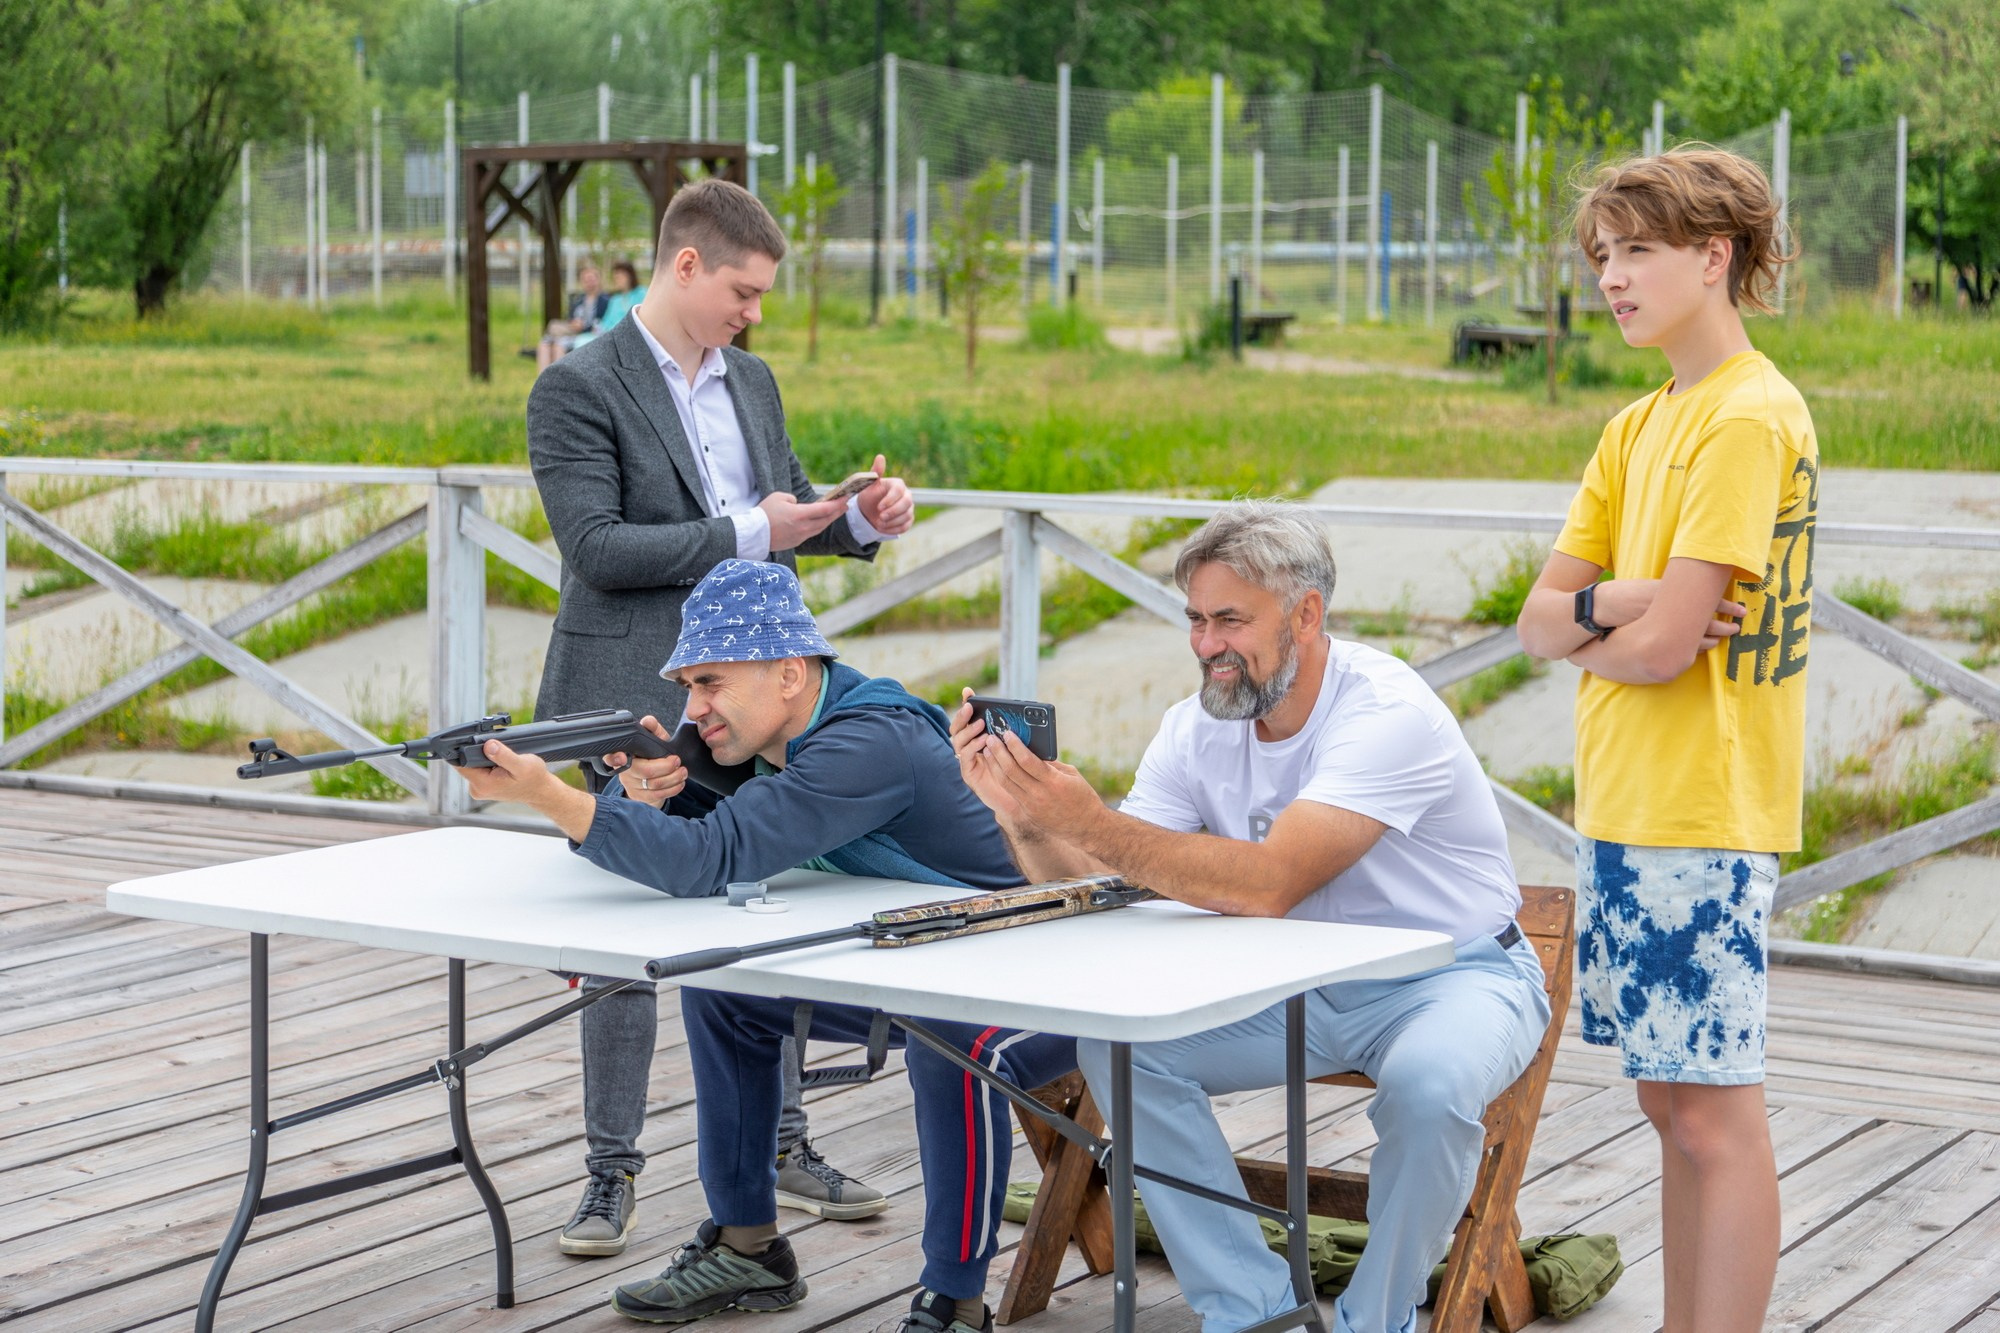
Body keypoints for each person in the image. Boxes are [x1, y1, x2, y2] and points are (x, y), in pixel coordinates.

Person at [952, 502, 1551, 1333]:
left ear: (1306, 613)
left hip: (1453, 974)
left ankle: (1378, 1321)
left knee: (1430, 1086)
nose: (1206, 644)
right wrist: (1021, 813)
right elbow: (1106, 880)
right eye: (1195, 619)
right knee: (1124, 1049)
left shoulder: (1387, 712)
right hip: (1294, 980)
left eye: (1229, 619)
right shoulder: (1196, 724)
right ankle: (1255, 1313)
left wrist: (1090, 820)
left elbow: (1271, 883)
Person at [456, 560, 1073, 1333]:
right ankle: (747, 1247)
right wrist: (647, 790)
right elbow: (696, 836)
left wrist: (549, 795)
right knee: (727, 991)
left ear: (789, 673)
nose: (693, 708)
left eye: (710, 682)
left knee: (952, 1040)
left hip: (1047, 978)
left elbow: (710, 858)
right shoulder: (774, 737)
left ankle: (954, 1300)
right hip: (923, 958)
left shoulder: (870, 741)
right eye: (687, 686)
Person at [527, 178, 918, 1258]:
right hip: (625, 692)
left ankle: (783, 1145)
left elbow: (783, 511)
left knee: (763, 908)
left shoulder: (752, 379)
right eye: (743, 292)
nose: (754, 313)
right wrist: (754, 529)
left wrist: (854, 517)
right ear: (686, 264)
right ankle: (608, 1172)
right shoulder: (575, 386)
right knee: (618, 934)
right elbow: (596, 548)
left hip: (752, 704)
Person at [1515, 148, 1814, 1333]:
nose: (1611, 278)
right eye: (1602, 255)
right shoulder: (1635, 424)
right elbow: (1540, 620)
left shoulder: (1746, 414)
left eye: (1637, 250)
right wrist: (1620, 604)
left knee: (1711, 1115)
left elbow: (1660, 650)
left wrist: (1606, 625)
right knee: (1666, 1107)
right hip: (1623, 807)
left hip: (1703, 804)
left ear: (1712, 256)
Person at [537, 264, 611, 369]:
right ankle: (543, 378)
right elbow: (570, 317)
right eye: (586, 280)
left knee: (558, 346)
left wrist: (584, 327)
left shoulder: (605, 301)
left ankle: (558, 377)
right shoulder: (578, 300)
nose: (589, 283)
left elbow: (603, 323)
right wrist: (573, 323)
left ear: (598, 280)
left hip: (587, 335)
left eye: (591, 279)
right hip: (571, 331)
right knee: (544, 345)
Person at [570, 260, 644, 350]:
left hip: (631, 336)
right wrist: (598, 328)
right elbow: (606, 321)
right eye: (615, 277)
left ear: (629, 276)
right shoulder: (615, 299)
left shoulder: (642, 293)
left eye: (620, 277)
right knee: (581, 340)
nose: (617, 280)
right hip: (611, 336)